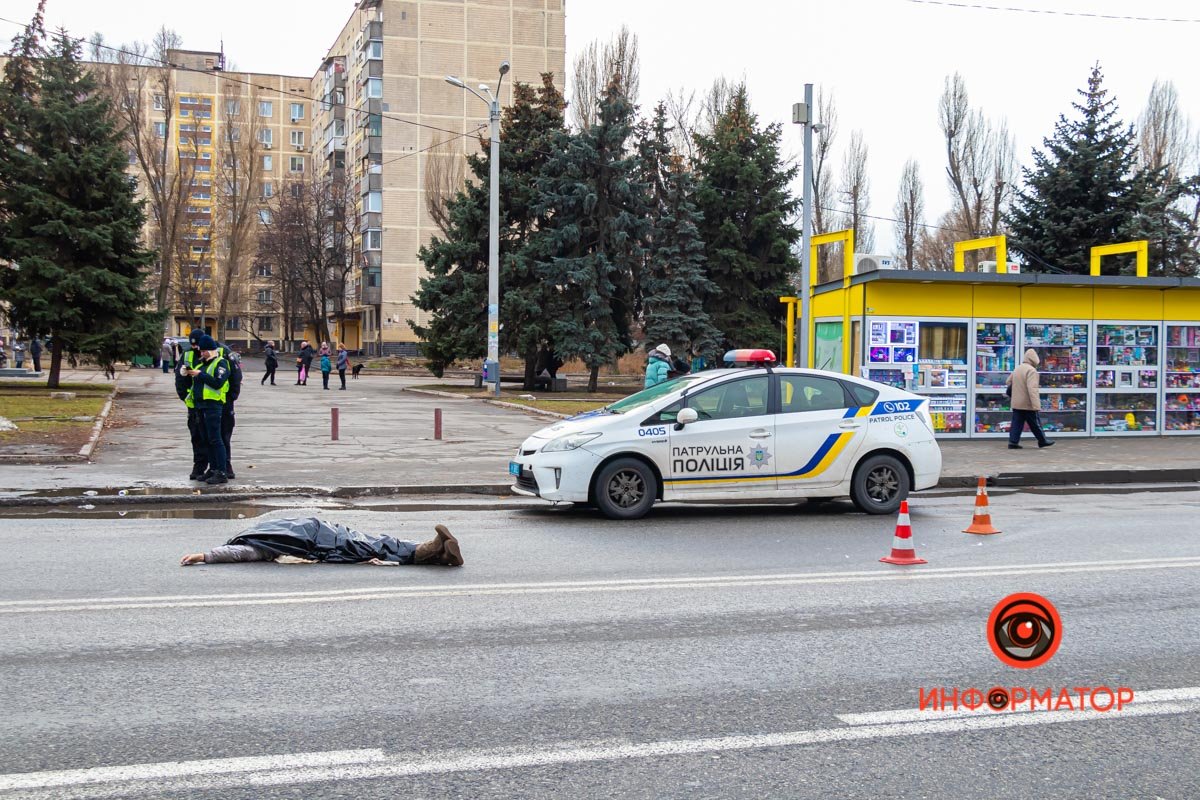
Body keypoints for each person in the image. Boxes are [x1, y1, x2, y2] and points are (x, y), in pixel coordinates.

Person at [180, 518, 463, 567]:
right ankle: (433, 551)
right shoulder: (258, 543)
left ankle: (439, 552)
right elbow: (240, 554)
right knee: (370, 546)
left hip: (321, 530)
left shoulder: (258, 533)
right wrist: (205, 556)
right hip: (322, 540)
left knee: (375, 541)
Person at [182, 334, 232, 485]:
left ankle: (221, 471)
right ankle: (213, 468)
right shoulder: (201, 364)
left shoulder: (221, 363)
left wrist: (200, 375)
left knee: (216, 439)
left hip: (213, 405)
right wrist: (189, 373)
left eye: (203, 351)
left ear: (211, 350)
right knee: (206, 440)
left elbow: (217, 382)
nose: (201, 353)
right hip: (200, 406)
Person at [175, 330, 210, 481]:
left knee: (216, 437)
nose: (196, 348)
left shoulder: (217, 352)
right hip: (194, 404)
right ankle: (199, 466)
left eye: (198, 345)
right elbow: (180, 379)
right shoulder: (188, 355)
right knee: (196, 436)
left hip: (213, 403)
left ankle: (220, 467)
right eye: (193, 345)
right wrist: (185, 397)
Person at [1005, 348, 1055, 450]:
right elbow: (1032, 389)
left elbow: (1008, 381)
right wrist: (1036, 405)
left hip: (1017, 402)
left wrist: (1017, 391)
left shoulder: (1018, 368)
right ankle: (1042, 440)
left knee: (1016, 423)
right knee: (1035, 423)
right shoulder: (1032, 371)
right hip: (1027, 403)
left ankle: (1013, 442)